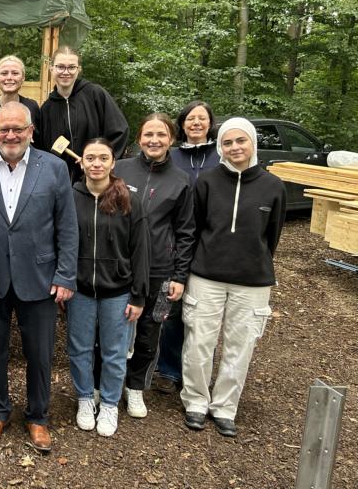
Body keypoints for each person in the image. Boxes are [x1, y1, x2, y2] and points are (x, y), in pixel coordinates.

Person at [0, 101, 78, 453]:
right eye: (4, 129)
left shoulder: (54, 168)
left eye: (18, 129)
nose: (11, 135)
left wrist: (66, 276)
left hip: (40, 277)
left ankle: (38, 417)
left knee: (39, 354)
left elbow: (68, 227)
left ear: (30, 131)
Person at [181, 118, 286, 438]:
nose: (234, 147)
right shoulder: (207, 182)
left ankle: (225, 407)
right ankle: (196, 401)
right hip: (207, 275)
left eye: (241, 141)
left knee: (240, 346)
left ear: (252, 143)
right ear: (220, 147)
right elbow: (194, 228)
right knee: (199, 341)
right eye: (227, 143)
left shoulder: (273, 186)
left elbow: (273, 235)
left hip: (252, 280)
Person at [111, 113, 195, 420]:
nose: (154, 140)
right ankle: (107, 384)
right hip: (119, 264)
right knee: (112, 329)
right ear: (139, 138)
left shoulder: (180, 181)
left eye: (161, 135)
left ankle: (135, 388)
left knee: (148, 332)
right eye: (148, 134)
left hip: (159, 269)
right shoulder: (120, 169)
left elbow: (186, 231)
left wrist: (179, 275)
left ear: (171, 139)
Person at [67, 139, 149, 437]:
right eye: (91, 158)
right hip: (79, 290)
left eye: (103, 158)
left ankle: (111, 403)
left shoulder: (129, 199)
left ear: (113, 163)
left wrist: (139, 295)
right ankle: (86, 398)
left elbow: (141, 250)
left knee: (114, 352)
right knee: (80, 349)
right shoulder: (70, 197)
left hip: (118, 291)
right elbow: (62, 242)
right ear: (83, 163)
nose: (97, 163)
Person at [155, 100, 220, 393]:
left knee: (203, 311)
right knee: (173, 310)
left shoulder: (221, 157)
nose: (196, 123)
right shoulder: (172, 157)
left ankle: (197, 371)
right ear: (181, 125)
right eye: (190, 118)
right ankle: (169, 369)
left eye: (201, 119)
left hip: (209, 242)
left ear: (210, 124)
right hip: (173, 240)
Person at [37, 45, 129, 182]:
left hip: (96, 177)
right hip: (61, 181)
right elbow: (44, 148)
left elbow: (120, 131)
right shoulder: (47, 108)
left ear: (79, 69)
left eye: (71, 67)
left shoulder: (95, 95)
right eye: (60, 67)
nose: (66, 72)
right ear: (51, 68)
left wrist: (101, 161)